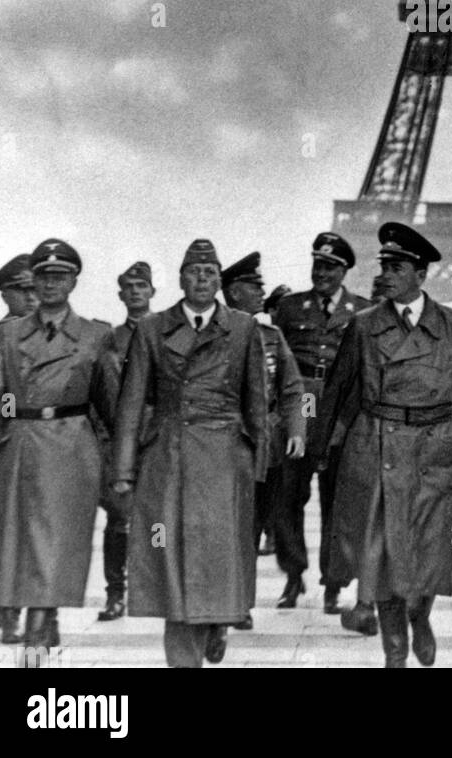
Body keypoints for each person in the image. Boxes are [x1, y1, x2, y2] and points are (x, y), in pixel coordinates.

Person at [316, 222, 452, 667]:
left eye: (397, 266)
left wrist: (442, 431)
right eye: (384, 265)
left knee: (429, 548)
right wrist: (321, 451)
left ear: (421, 273)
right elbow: (337, 392)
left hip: (434, 452)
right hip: (380, 447)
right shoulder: (363, 327)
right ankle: (394, 650)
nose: (386, 273)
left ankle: (420, 613)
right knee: (385, 555)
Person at [110, 237, 274, 669]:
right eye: (193, 272)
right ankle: (185, 653)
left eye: (210, 273)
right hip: (169, 457)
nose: (202, 280)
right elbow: (131, 402)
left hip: (225, 461)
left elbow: (257, 397)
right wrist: (124, 470)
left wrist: (260, 463)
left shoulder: (242, 329)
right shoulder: (151, 329)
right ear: (181, 279)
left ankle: (217, 621)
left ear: (219, 282)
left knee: (217, 556)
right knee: (169, 554)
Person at [0, 239, 115, 663]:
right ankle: (38, 619)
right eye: (44, 276)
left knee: (59, 542)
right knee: (24, 541)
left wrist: (125, 459)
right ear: (34, 282)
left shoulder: (96, 335)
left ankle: (44, 614)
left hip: (73, 447)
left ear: (73, 281)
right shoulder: (8, 334)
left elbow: (110, 401)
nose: (51, 284)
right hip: (21, 444)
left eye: (60, 276)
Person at [272, 233, 370, 614]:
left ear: (344, 270)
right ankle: (293, 574)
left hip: (338, 412)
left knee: (337, 503)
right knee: (289, 496)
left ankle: (333, 581)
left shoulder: (362, 310)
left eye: (330, 267)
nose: (322, 272)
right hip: (302, 407)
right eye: (318, 264)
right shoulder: (290, 308)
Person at [221, 251, 306, 630]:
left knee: (260, 522)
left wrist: (298, 430)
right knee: (233, 527)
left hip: (266, 449)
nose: (262, 292)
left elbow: (293, 389)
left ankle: (249, 598)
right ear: (234, 292)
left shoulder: (271, 337)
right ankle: (230, 600)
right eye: (254, 286)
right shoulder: (217, 334)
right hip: (225, 445)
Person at [0, 254, 38, 644]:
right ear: (6, 295)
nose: (32, 298)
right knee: (4, 534)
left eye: (35, 290)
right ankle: (9, 607)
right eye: (23, 291)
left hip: (43, 447)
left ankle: (26, 611)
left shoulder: (44, 334)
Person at [94, 260, 156, 624]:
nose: (135, 292)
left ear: (152, 292)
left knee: (158, 520)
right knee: (118, 519)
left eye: (141, 286)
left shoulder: (166, 333)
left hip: (155, 439)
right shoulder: (110, 340)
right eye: (129, 287)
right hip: (118, 442)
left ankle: (151, 583)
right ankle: (115, 592)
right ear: (120, 294)